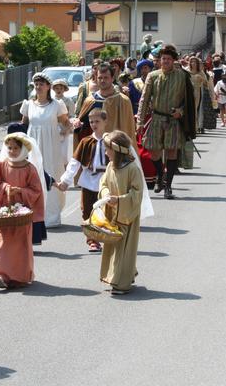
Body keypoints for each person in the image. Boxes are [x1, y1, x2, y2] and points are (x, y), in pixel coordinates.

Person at [0, 133, 45, 289]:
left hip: (22, 213)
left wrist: (20, 191)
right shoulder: (2, 165)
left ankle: (18, 276)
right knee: (2, 242)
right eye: (9, 148)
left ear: (24, 149)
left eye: (16, 148)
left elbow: (36, 190)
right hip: (5, 211)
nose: (12, 151)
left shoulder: (29, 168)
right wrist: (5, 188)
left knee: (20, 244)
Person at [137, 44, 195, 200]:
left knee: (171, 152)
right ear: (159, 60)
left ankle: (168, 186)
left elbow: (188, 100)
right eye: (163, 59)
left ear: (173, 60)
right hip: (156, 118)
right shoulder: (152, 76)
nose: (166, 61)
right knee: (153, 151)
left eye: (169, 59)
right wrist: (140, 122)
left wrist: (180, 112)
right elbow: (144, 99)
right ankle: (161, 175)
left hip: (173, 121)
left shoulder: (182, 76)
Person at [20, 72, 70, 232]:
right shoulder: (28, 105)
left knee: (51, 175)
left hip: (51, 146)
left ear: (48, 87)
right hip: (33, 146)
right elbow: (23, 125)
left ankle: (51, 216)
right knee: (33, 177)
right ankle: (32, 215)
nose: (38, 86)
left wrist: (64, 132)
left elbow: (66, 124)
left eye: (42, 83)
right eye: (36, 83)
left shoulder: (57, 105)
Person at [99, 131, 144, 295]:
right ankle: (120, 275)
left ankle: (121, 283)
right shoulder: (111, 166)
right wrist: (105, 195)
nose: (106, 153)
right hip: (113, 214)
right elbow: (103, 183)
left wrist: (119, 200)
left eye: (107, 150)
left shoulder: (132, 169)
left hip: (127, 216)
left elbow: (137, 193)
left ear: (117, 151)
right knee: (114, 247)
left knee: (124, 249)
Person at [57, 108, 109, 253]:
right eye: (91, 122)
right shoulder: (86, 141)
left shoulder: (111, 140)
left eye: (97, 121)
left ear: (105, 122)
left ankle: (107, 237)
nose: (94, 124)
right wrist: (65, 181)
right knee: (87, 211)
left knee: (106, 211)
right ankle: (92, 240)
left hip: (106, 182)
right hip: (88, 182)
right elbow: (75, 163)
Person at [73, 63, 137, 150]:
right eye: (100, 78)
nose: (102, 80)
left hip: (116, 148)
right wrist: (78, 123)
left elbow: (128, 129)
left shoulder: (123, 101)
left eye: (106, 77)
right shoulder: (90, 100)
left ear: (112, 78)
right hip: (96, 148)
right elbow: (84, 127)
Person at [187, 57, 216, 134]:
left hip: (197, 93)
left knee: (196, 110)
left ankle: (196, 127)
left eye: (195, 62)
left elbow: (206, 84)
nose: (193, 63)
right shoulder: (187, 72)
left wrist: (201, 79)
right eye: (192, 62)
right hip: (188, 93)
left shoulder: (201, 73)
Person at [52, 78, 75, 167]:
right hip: (53, 127)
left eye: (61, 88)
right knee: (54, 152)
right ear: (53, 89)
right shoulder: (51, 101)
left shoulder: (69, 101)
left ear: (64, 89)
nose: (59, 90)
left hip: (65, 127)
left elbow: (72, 116)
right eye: (57, 88)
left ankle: (65, 171)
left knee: (64, 154)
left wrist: (67, 129)